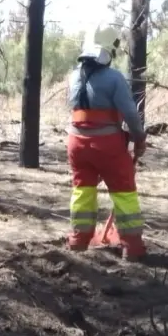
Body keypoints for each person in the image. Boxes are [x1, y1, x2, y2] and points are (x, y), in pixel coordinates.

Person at [66, 25, 147, 261]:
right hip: (107, 145)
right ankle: (132, 247)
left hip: (76, 143)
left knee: (82, 191)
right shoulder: (114, 78)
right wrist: (139, 138)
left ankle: (78, 240)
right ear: (110, 50)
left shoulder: (73, 76)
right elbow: (130, 114)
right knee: (124, 192)